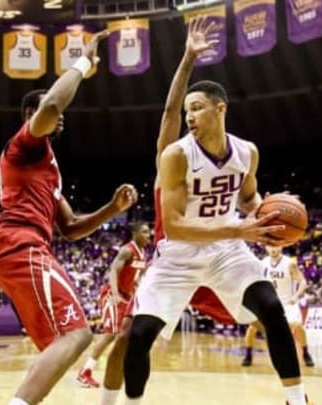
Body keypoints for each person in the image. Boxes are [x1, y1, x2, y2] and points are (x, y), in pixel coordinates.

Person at [122, 21, 311, 405]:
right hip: (177, 256)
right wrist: (189, 57)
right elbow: (174, 226)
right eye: (187, 110)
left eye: (198, 108)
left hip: (227, 253)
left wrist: (267, 213)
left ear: (219, 108)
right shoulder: (176, 155)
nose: (189, 117)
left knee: (273, 310)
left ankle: (297, 398)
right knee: (139, 337)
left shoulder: (246, 152)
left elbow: (248, 199)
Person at [0, 30, 140, 405]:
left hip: (24, 246)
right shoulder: (24, 144)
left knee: (62, 341)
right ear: (30, 116)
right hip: (21, 243)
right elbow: (53, 104)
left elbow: (70, 228)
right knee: (79, 335)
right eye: (52, 114)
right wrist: (84, 63)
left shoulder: (49, 168)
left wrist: (110, 210)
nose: (62, 118)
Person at [95, 17, 236, 405]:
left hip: (212, 257)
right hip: (171, 262)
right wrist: (188, 58)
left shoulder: (223, 164)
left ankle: (296, 388)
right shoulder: (169, 161)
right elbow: (172, 111)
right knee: (129, 337)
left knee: (268, 313)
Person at [77, 222, 150, 388]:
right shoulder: (127, 250)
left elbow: (135, 277)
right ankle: (84, 372)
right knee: (110, 333)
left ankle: (122, 369)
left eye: (148, 232)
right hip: (112, 295)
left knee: (126, 334)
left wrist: (136, 289)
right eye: (145, 232)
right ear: (135, 233)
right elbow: (113, 270)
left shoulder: (143, 253)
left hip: (126, 296)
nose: (148, 235)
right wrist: (116, 294)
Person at [242, 245, 314, 368]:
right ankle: (248, 355)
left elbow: (303, 282)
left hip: (287, 302)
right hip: (268, 302)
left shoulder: (289, 263)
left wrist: (296, 296)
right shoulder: (262, 263)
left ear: (281, 247)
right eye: (270, 247)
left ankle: (306, 353)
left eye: (276, 246)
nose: (273, 249)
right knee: (252, 327)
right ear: (266, 248)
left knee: (297, 325)